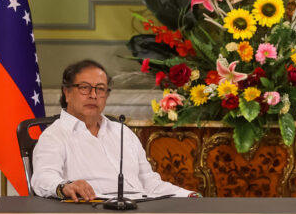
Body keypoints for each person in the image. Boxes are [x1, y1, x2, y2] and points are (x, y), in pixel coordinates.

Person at [31, 59, 198, 201]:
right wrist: (65, 186)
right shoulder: (54, 135)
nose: (93, 95)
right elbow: (42, 178)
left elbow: (149, 183)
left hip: (139, 213)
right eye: (84, 87)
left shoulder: (123, 132)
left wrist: (186, 195)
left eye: (100, 89)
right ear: (66, 92)